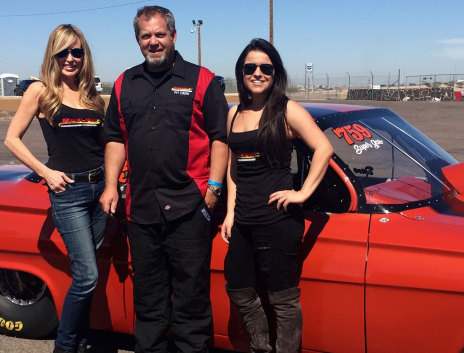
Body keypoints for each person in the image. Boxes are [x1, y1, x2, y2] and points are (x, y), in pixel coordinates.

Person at [99, 5, 228, 353]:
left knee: (191, 306)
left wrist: (213, 190)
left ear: (173, 35)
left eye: (159, 34)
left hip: (189, 209)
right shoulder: (126, 83)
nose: (153, 42)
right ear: (138, 40)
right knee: (149, 305)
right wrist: (111, 186)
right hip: (140, 212)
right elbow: (114, 137)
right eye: (146, 36)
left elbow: (220, 137)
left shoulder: (202, 80)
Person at [220, 38, 333, 353]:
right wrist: (230, 213)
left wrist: (302, 192)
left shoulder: (287, 109)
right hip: (243, 219)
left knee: (282, 298)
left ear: (275, 72)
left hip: (277, 221)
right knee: (239, 289)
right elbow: (233, 171)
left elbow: (323, 148)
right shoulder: (234, 114)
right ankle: (261, 347)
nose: (257, 73)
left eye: (265, 68)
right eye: (250, 68)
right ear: (241, 73)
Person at [4, 24, 107, 353]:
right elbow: (11, 139)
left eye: (77, 51)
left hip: (101, 190)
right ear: (53, 54)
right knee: (88, 275)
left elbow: (106, 145)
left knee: (90, 271)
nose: (71, 58)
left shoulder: (92, 95)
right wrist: (45, 172)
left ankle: (82, 337)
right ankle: (65, 346)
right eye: (63, 52)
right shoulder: (40, 91)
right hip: (70, 195)